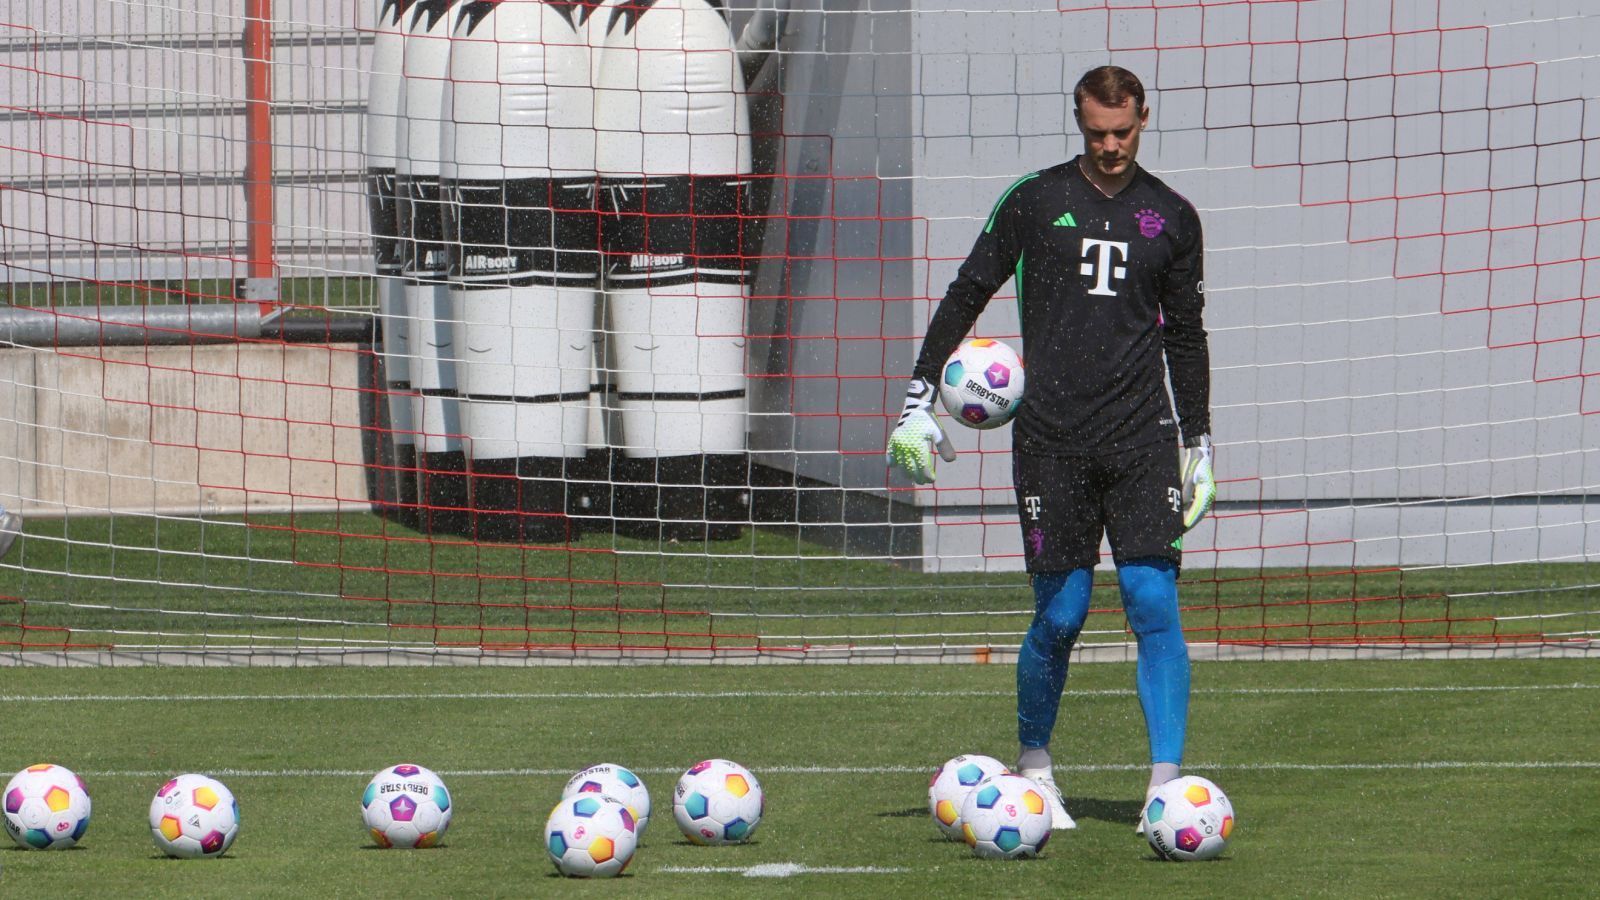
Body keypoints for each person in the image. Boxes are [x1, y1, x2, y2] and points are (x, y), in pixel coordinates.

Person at [886, 65, 1216, 831]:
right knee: (1062, 614)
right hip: (1051, 441)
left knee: (1152, 600)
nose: (1110, 146)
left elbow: (1188, 336)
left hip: (1141, 438)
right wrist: (917, 399)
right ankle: (1035, 767)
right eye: (1097, 132)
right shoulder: (1036, 200)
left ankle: (1164, 784)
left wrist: (1198, 442)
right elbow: (968, 290)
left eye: (1123, 131)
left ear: (1144, 119)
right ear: (1078, 122)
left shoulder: (1173, 217)